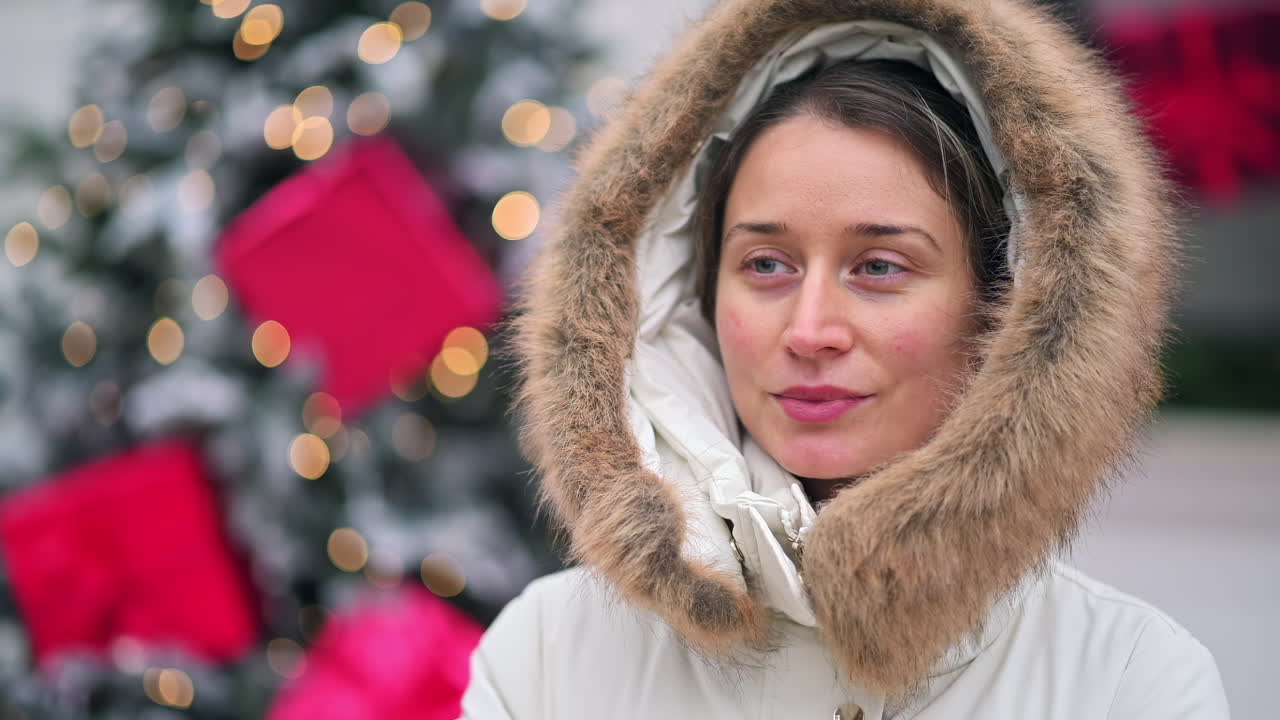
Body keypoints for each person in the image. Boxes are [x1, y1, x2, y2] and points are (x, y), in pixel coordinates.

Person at [461, 0, 1231, 717]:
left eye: (879, 267)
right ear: (695, 295)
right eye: (767, 264)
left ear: (1011, 302)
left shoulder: (1129, 679)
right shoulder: (549, 657)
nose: (810, 329)